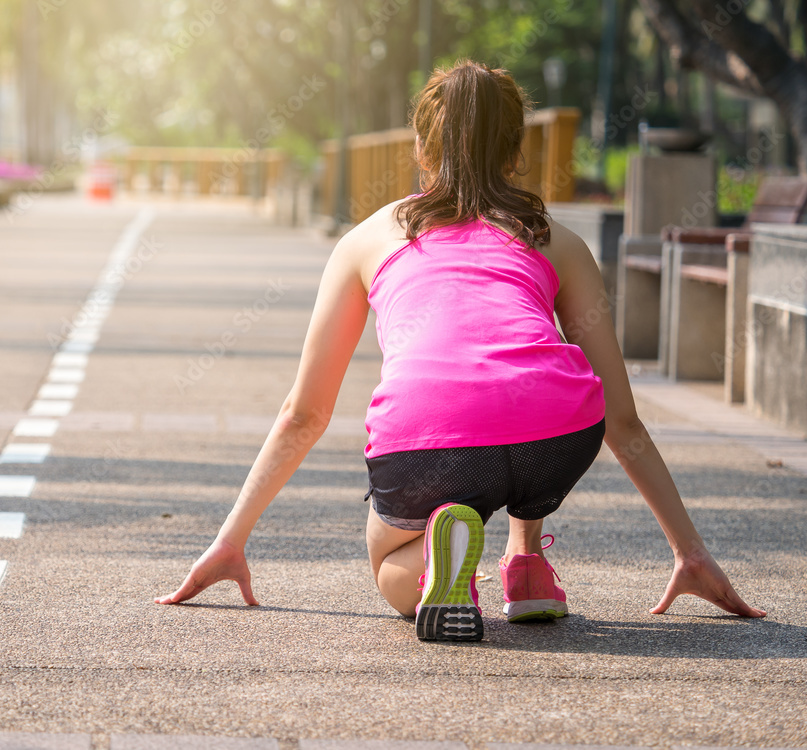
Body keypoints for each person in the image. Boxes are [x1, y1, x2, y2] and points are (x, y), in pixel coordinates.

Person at [156, 59, 766, 641]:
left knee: (390, 555)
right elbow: (624, 418)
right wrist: (690, 551)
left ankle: (431, 570)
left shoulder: (366, 239)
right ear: (515, 153)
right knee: (529, 372)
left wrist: (231, 540)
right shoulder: (557, 240)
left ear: (420, 148)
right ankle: (525, 566)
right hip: (556, 437)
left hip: (429, 439)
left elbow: (304, 414)